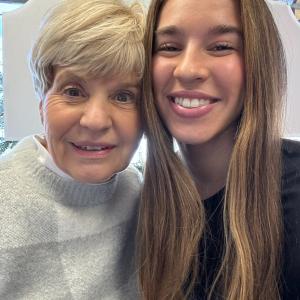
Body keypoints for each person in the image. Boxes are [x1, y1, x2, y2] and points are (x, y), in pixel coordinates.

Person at [138, 0, 300, 299]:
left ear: (258, 61)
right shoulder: (137, 204)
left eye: (221, 46)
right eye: (170, 47)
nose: (188, 70)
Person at [0, 0, 145, 299]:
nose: (94, 120)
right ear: (42, 102)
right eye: (73, 91)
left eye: (123, 96)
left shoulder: (137, 193)